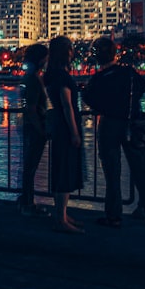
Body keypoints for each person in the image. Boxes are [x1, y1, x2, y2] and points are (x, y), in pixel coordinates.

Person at [82, 37, 145, 228]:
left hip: (109, 124)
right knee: (141, 169)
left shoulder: (99, 78)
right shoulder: (128, 73)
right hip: (132, 123)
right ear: (114, 54)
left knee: (112, 171)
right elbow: (143, 86)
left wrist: (104, 107)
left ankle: (114, 215)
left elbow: (87, 97)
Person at [43, 36, 84, 233]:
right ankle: (61, 218)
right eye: (70, 48)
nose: (73, 52)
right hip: (66, 127)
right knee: (65, 170)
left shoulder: (52, 73)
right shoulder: (61, 76)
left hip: (60, 125)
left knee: (62, 168)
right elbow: (67, 105)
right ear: (64, 52)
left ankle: (62, 214)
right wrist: (74, 132)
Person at [19, 43, 50, 217]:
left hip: (32, 127)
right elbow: (31, 108)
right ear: (40, 59)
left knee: (29, 166)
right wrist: (41, 129)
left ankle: (26, 201)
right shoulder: (33, 79)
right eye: (46, 57)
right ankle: (28, 204)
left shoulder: (32, 76)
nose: (47, 60)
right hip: (34, 128)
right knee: (30, 166)